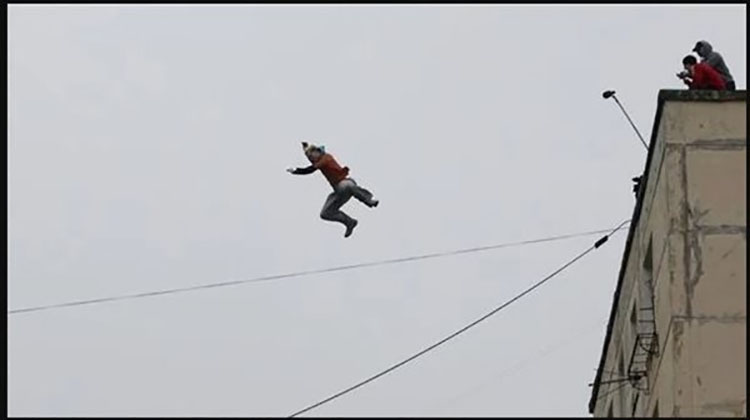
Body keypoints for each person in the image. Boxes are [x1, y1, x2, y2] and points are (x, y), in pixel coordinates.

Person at [287, 142, 379, 238]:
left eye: (311, 156)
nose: (311, 159)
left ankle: (368, 200)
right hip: (339, 193)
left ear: (317, 152)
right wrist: (305, 148)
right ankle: (349, 222)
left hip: (345, 183)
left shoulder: (326, 158)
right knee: (325, 213)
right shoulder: (318, 161)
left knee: (347, 186)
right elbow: (311, 166)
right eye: (309, 158)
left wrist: (296, 170)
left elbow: (309, 170)